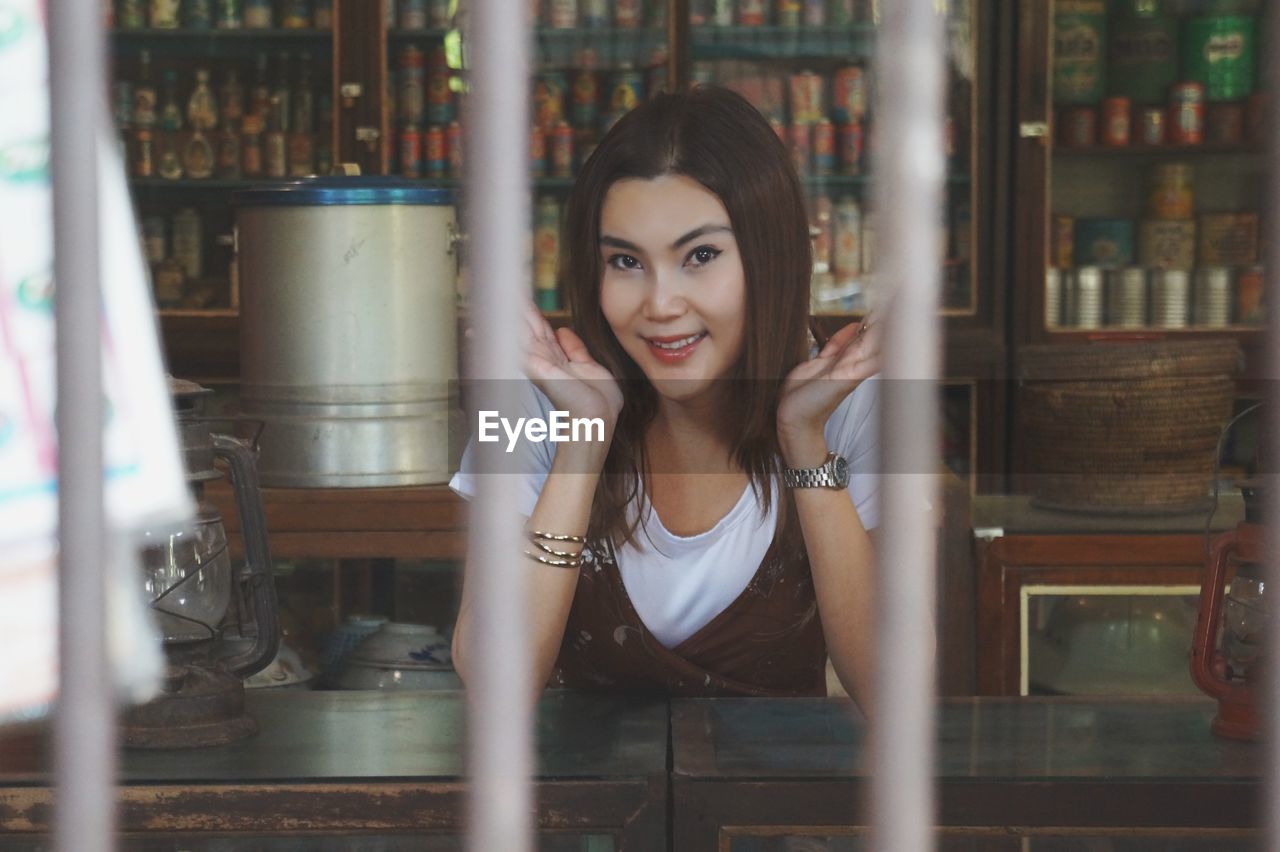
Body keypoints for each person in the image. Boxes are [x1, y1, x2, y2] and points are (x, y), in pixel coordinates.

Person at [449, 85, 881, 709]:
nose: (659, 306)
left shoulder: (849, 405)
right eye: (625, 261)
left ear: (770, 255)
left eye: (700, 255)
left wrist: (805, 440)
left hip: (767, 803)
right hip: (579, 805)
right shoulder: (531, 404)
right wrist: (581, 445)